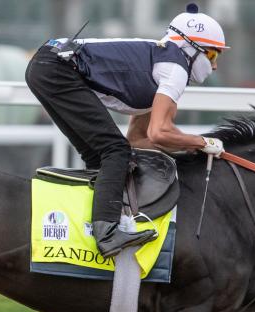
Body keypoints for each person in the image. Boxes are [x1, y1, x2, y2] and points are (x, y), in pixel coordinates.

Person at [25, 3, 228, 258]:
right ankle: (107, 233)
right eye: (212, 55)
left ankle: (90, 226)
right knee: (115, 151)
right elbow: (159, 133)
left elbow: (138, 139)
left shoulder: (163, 60)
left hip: (48, 64)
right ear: (191, 47)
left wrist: (188, 147)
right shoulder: (175, 69)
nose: (216, 66)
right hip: (56, 67)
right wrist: (201, 143)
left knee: (103, 155)